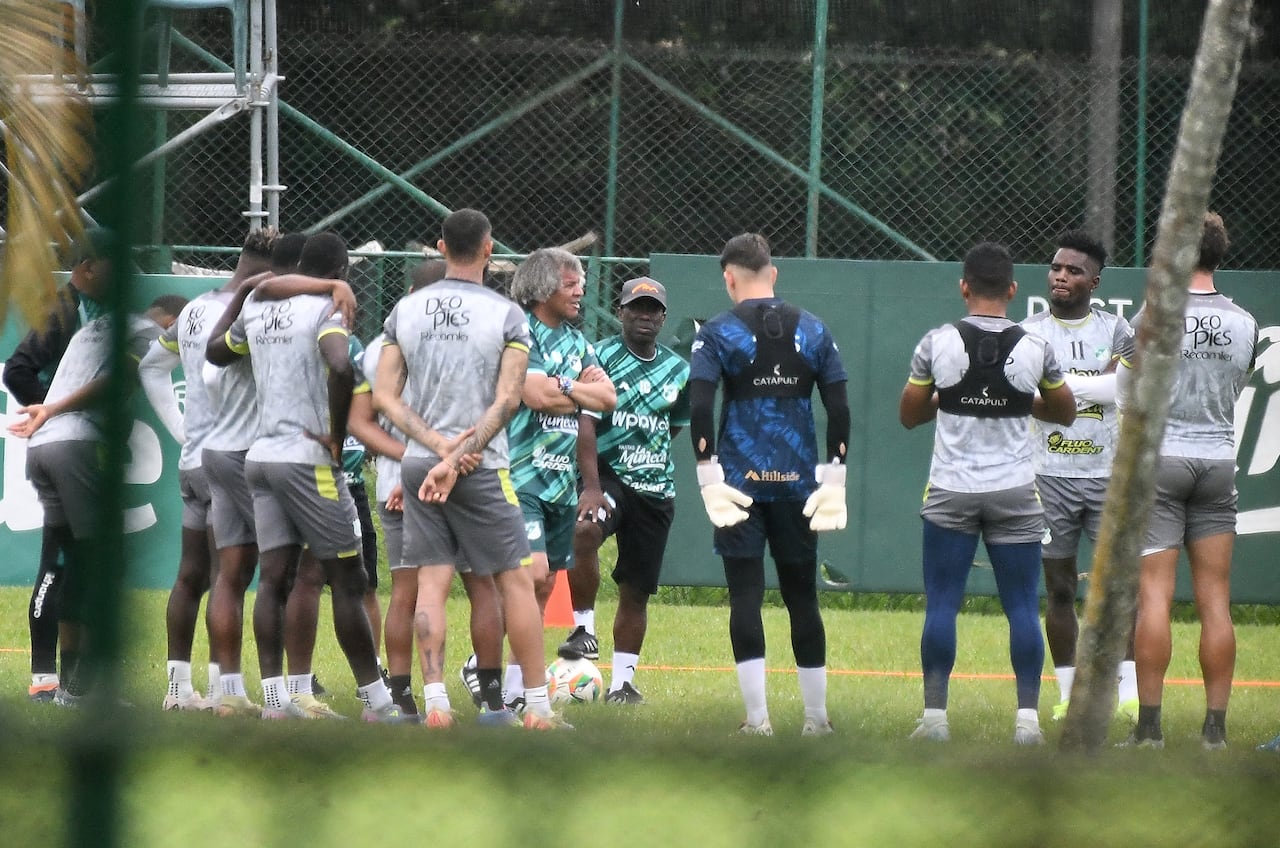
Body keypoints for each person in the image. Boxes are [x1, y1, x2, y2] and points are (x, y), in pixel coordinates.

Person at [372, 208, 567, 730]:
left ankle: (435, 702)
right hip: (483, 466)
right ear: (488, 249)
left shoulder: (404, 311)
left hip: (417, 464)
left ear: (440, 248)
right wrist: (459, 456)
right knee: (512, 584)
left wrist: (437, 450)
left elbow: (385, 399)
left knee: (429, 583)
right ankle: (536, 709)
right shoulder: (507, 315)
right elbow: (508, 402)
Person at [206, 231, 400, 722]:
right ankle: (379, 703)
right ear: (342, 273)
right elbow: (338, 364)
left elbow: (216, 354)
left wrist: (251, 291)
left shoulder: (258, 309)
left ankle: (275, 702)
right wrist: (337, 436)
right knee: (349, 577)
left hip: (261, 457)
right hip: (308, 461)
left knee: (274, 579)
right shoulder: (326, 312)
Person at [899, 241, 1076, 745]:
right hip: (1015, 493)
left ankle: (934, 721)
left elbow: (909, 415)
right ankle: (1027, 724)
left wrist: (950, 395)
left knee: (942, 605)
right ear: (1014, 290)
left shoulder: (937, 342)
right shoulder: (1037, 346)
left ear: (963, 287)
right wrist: (1019, 400)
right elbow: (1064, 412)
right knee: (1022, 606)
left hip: (951, 491)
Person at [688, 233, 850, 737]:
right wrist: (836, 473)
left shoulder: (716, 331)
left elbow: (699, 406)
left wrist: (707, 472)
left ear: (729, 278)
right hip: (800, 483)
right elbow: (839, 408)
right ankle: (816, 720)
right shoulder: (816, 329)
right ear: (773, 273)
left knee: (745, 596)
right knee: (803, 597)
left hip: (739, 485)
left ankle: (758, 722)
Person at [1120, 213, 1258, 750]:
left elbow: (1130, 391)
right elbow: (1235, 385)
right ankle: (1214, 734)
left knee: (1154, 595)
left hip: (1162, 461)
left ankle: (1149, 730)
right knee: (1216, 600)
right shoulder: (1244, 322)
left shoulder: (1151, 315)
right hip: (1218, 465)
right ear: (1219, 256)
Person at [8, 294, 187, 705]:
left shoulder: (97, 325)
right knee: (108, 564)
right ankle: (88, 686)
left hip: (42, 448)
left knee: (72, 564)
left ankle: (70, 686)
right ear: (173, 320)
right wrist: (53, 409)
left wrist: (50, 413)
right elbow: (115, 381)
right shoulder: (149, 334)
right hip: (75, 443)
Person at [138, 228, 280, 711]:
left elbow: (150, 367)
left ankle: (178, 688)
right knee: (232, 575)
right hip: (232, 456)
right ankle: (227, 689)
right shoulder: (252, 311)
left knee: (190, 575)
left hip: (193, 460)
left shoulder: (195, 308)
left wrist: (182, 431)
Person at [1020, 230, 1138, 721]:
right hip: (1047, 477)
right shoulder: (1028, 332)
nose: (1061, 277)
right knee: (1061, 588)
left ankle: (1128, 697)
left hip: (1106, 475)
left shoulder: (1117, 330)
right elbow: (1024, 397)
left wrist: (1061, 393)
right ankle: (1068, 695)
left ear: (1094, 280)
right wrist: (1093, 387)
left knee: (1115, 590)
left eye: (1072, 271)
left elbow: (1123, 390)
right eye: (1056, 268)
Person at [563, 277, 690, 705]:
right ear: (620, 312)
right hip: (608, 475)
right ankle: (584, 630)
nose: (645, 316)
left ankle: (622, 684)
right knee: (584, 531)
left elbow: (672, 427)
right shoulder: (599, 357)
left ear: (663, 318)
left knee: (636, 589)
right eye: (636, 308)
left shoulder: (679, 369)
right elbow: (585, 422)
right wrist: (592, 485)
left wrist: (646, 457)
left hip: (656, 489)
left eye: (653, 309)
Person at [502, 247, 616, 706]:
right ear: (543, 286)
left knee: (547, 586)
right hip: (521, 475)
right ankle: (520, 692)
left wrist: (564, 386)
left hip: (561, 484)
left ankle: (509, 686)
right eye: (571, 284)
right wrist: (576, 390)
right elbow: (534, 395)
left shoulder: (578, 341)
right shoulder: (521, 332)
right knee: (533, 576)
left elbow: (607, 398)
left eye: (582, 283)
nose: (580, 291)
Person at [3, 227, 111, 702]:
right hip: (63, 446)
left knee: (66, 562)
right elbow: (17, 368)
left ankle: (60, 682)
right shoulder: (65, 309)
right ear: (88, 267)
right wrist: (51, 411)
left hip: (69, 444)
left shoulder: (93, 310)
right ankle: (52, 679)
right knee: (62, 561)